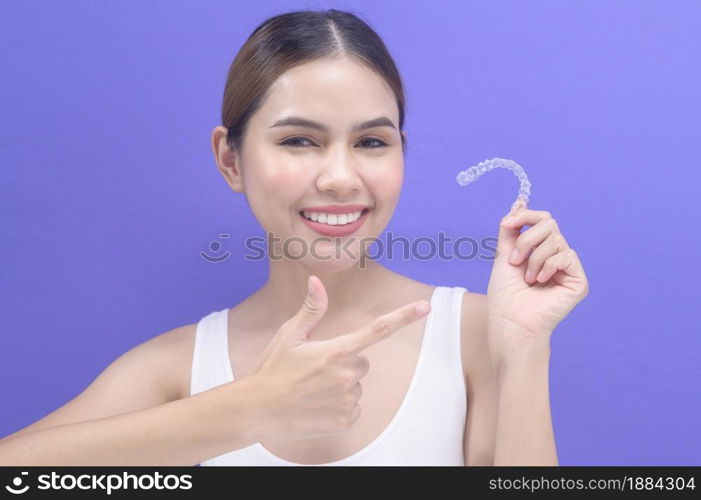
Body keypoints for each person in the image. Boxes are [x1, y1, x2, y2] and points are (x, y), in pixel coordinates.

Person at [0, 9, 588, 466]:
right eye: (298, 141)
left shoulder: (477, 334)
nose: (339, 177)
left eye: (372, 142)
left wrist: (526, 347)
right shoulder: (177, 367)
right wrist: (244, 410)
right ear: (230, 159)